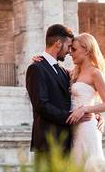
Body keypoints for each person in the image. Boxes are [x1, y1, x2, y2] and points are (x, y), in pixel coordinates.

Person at [25, 24, 80, 166]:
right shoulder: (36, 68)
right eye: (68, 46)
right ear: (58, 43)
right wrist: (71, 117)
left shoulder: (63, 71)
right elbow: (41, 105)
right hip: (47, 143)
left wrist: (93, 113)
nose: (69, 52)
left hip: (66, 142)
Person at [66, 33, 105, 172]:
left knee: (92, 165)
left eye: (74, 49)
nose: (70, 53)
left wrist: (85, 109)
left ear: (86, 50)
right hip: (74, 128)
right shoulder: (74, 73)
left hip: (87, 127)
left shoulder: (95, 73)